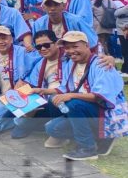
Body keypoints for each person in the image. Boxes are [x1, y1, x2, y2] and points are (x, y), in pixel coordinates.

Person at [45, 31, 128, 160]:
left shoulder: (102, 64)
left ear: (87, 45)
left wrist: (71, 95)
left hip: (106, 113)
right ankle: (98, 136)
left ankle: (87, 148)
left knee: (73, 103)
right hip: (86, 109)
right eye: (67, 47)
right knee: (52, 127)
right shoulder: (71, 64)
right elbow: (64, 88)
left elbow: (99, 96)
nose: (71, 51)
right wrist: (41, 91)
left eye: (75, 46)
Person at [11, 30, 66, 139]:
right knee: (17, 93)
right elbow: (32, 84)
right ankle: (36, 123)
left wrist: (110, 59)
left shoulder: (68, 58)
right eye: (39, 47)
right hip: (45, 102)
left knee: (55, 98)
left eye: (46, 45)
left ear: (56, 43)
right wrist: (21, 90)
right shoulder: (40, 63)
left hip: (63, 99)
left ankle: (49, 127)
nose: (43, 49)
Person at [0, 26, 34, 135]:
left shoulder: (23, 51)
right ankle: (14, 122)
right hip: (4, 98)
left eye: (4, 38)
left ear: (11, 39)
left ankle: (26, 123)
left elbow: (36, 67)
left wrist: (24, 80)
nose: (1, 42)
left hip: (23, 95)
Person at [32, 0, 97, 49]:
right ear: (43, 8)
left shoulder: (76, 21)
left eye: (56, 4)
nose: (52, 8)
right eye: (48, 5)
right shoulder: (38, 24)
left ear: (63, 6)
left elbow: (91, 42)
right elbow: (36, 46)